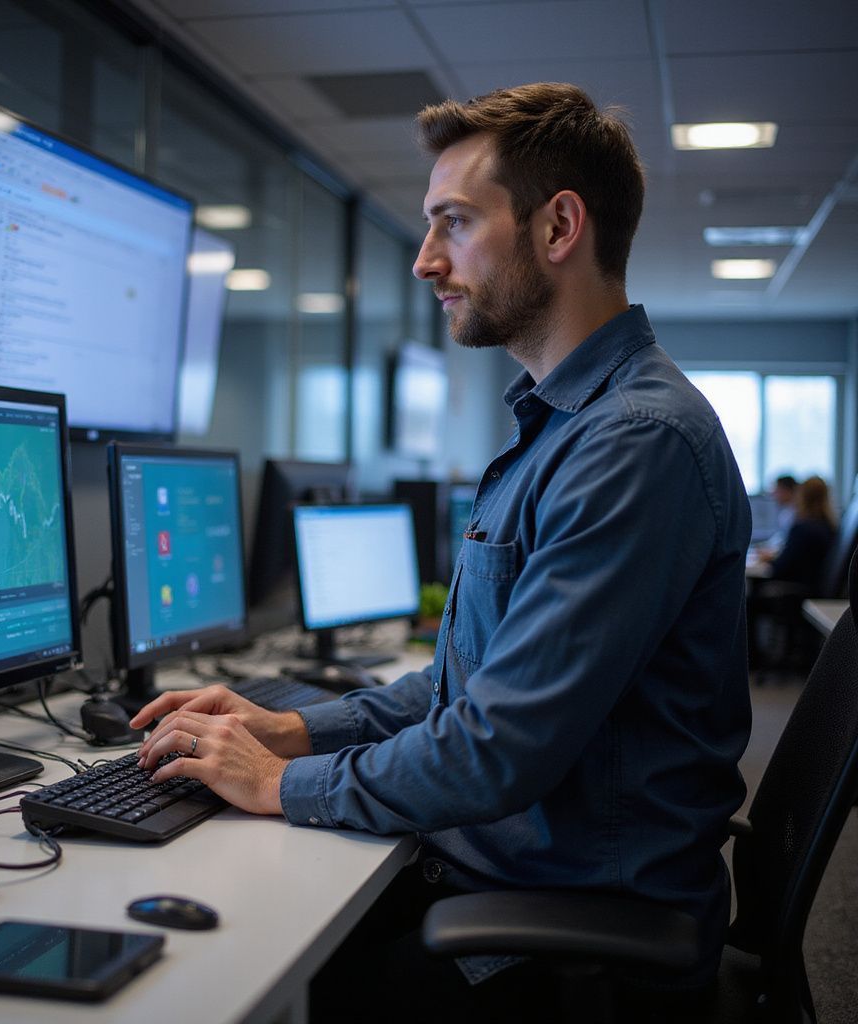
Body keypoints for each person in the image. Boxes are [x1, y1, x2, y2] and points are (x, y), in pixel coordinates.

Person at [131, 83, 752, 1019]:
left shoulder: (634, 443)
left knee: (219, 980)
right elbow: (474, 684)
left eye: (452, 224)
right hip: (522, 873)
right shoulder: (565, 430)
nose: (425, 261)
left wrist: (280, 784)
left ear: (559, 228)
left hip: (572, 931)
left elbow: (496, 750)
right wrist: (291, 731)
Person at [765, 475, 836, 588]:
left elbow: (780, 567)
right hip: (813, 587)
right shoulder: (829, 527)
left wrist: (770, 559)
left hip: (797, 589)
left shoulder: (802, 528)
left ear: (802, 497)